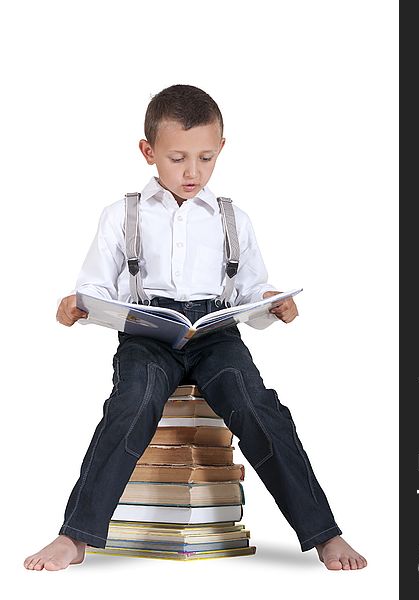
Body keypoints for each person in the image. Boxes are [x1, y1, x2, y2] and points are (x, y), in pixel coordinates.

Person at [24, 84, 367, 572]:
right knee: (132, 403)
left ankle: (323, 534)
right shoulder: (122, 214)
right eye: (178, 157)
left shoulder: (233, 218)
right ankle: (75, 536)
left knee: (258, 405)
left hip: (215, 333)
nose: (192, 172)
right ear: (149, 152)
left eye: (205, 158)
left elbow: (250, 291)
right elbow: (95, 287)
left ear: (220, 150)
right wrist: (76, 305)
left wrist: (272, 305)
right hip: (147, 332)